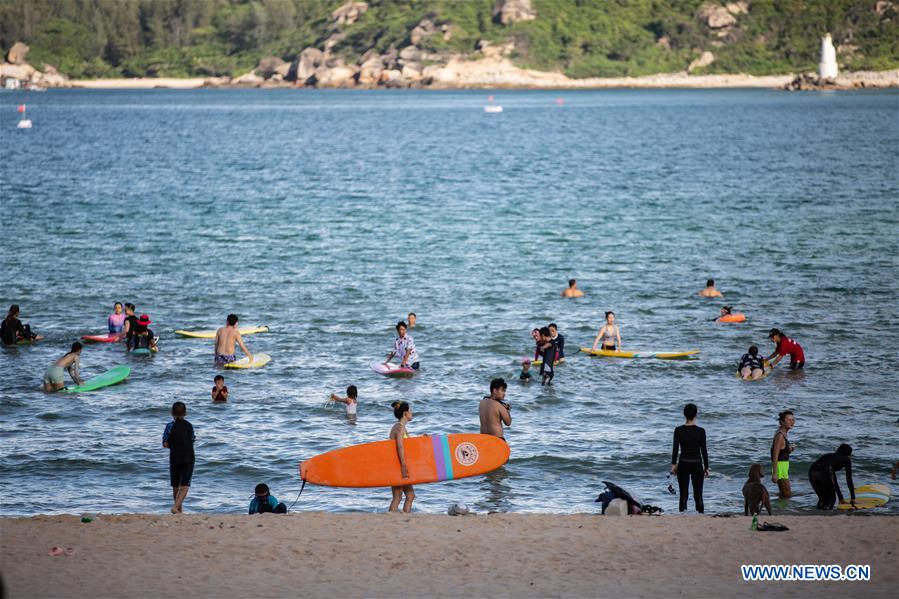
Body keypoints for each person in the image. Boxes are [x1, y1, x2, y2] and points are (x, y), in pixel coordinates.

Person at [671, 403, 709, 513]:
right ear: (696, 414)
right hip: (697, 464)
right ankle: (701, 514)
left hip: (683, 463)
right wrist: (706, 467)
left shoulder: (678, 430)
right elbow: (704, 451)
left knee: (683, 494)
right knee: (698, 495)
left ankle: (682, 515)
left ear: (684, 414)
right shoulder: (701, 431)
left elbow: (675, 449)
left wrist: (674, 465)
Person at [162, 401, 195, 514]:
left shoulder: (169, 426)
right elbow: (192, 440)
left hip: (174, 457)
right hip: (188, 457)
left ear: (172, 413)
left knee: (176, 486)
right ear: (185, 413)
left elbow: (165, 444)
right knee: (185, 486)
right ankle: (175, 508)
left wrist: (173, 445)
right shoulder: (190, 426)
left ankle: (179, 512)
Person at [808, 444, 855, 510]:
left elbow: (832, 478)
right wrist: (852, 498)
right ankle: (826, 514)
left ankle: (817, 513)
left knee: (823, 498)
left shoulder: (831, 456)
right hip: (823, 472)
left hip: (812, 471)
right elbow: (849, 480)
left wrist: (841, 498)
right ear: (848, 454)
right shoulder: (846, 459)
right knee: (831, 499)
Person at [388, 401, 415, 513]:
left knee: (410, 496)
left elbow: (407, 445)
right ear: (405, 413)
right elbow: (400, 446)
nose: (412, 413)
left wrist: (423, 439)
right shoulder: (399, 428)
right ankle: (390, 517)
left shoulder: (400, 427)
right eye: (410, 411)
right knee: (398, 496)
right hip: (398, 466)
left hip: (401, 465)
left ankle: (405, 517)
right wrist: (403, 466)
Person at [770, 410, 795, 498]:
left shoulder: (783, 433)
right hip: (780, 468)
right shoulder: (780, 435)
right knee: (787, 495)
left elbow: (781, 450)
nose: (792, 422)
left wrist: (789, 450)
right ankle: (783, 510)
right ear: (782, 422)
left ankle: (780, 509)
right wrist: (775, 473)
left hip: (783, 466)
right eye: (789, 420)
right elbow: (775, 455)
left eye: (793, 420)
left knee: (784, 494)